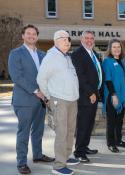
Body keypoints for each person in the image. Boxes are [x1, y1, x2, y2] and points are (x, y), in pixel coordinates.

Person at [8, 24, 54, 174]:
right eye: (28, 33)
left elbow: (47, 75)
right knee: (24, 132)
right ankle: (21, 162)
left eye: (34, 34)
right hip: (25, 100)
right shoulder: (16, 53)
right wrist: (35, 91)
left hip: (41, 100)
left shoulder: (42, 54)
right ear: (23, 36)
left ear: (37, 37)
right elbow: (17, 77)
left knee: (38, 130)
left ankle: (38, 155)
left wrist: (46, 93)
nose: (31, 36)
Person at [37, 30, 80, 175]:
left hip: (72, 100)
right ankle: (59, 165)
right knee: (61, 132)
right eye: (63, 39)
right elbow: (41, 79)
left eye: (68, 39)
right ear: (55, 41)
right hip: (59, 100)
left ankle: (66, 156)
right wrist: (48, 97)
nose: (67, 42)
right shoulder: (51, 57)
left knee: (70, 130)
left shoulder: (66, 57)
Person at [71, 31, 102, 162]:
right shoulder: (78, 54)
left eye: (91, 38)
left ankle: (85, 146)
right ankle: (79, 152)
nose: (89, 40)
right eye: (86, 38)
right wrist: (91, 93)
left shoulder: (93, 53)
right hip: (86, 96)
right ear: (81, 39)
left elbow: (97, 73)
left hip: (94, 94)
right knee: (83, 124)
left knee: (89, 123)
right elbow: (80, 76)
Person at [102, 39, 125, 153]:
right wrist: (113, 95)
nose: (117, 49)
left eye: (118, 47)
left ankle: (118, 140)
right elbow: (107, 80)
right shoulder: (107, 61)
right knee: (111, 121)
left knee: (119, 120)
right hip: (112, 95)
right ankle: (111, 143)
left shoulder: (122, 61)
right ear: (110, 49)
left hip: (122, 96)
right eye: (114, 47)